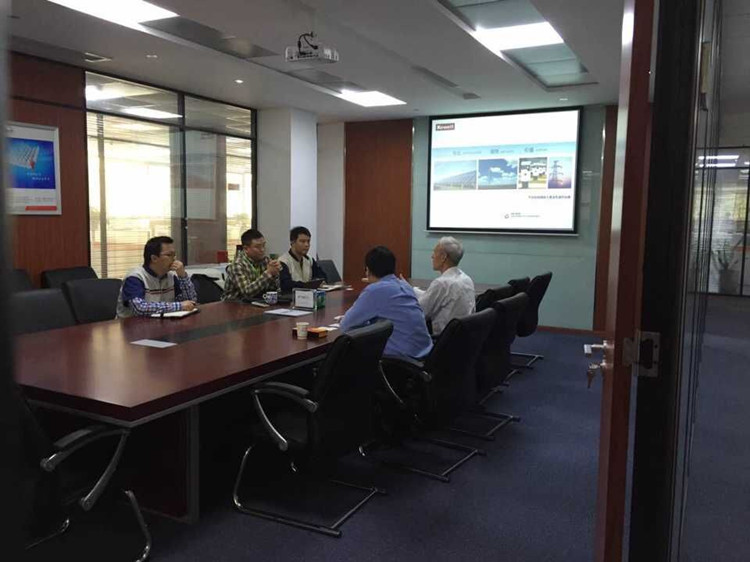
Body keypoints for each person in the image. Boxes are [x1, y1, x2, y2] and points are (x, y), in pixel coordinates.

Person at [340, 246, 432, 360]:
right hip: (425, 355)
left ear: (367, 270)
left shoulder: (375, 290)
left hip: (400, 360)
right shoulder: (405, 285)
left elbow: (345, 325)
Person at [116, 236, 197, 318]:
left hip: (160, 323)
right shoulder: (135, 277)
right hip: (131, 324)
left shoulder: (171, 276)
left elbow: (191, 302)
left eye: (174, 255)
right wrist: (179, 306)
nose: (174, 259)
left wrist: (183, 276)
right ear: (154, 258)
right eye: (169, 255)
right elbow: (139, 308)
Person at [409, 237, 475, 335]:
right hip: (463, 337)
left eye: (434, 252)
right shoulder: (466, 279)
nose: (432, 256)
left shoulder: (442, 284)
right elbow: (434, 297)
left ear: (443, 257)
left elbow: (418, 311)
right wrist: (412, 290)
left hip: (443, 340)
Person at [222, 228, 280, 301]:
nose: (262, 249)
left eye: (263, 245)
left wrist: (275, 274)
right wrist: (268, 273)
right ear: (246, 249)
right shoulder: (237, 265)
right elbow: (247, 292)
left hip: (257, 302)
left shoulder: (266, 261)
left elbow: (274, 289)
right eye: (257, 247)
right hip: (234, 304)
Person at [278, 226, 327, 293]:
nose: (307, 245)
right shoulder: (283, 261)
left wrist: (319, 281)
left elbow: (322, 276)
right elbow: (286, 285)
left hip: (308, 295)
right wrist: (307, 285)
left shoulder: (309, 259)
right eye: (302, 241)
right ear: (292, 242)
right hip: (291, 297)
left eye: (308, 241)